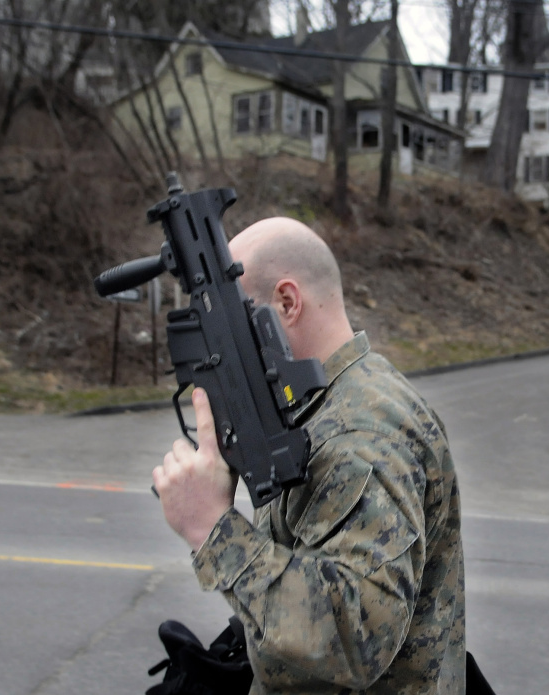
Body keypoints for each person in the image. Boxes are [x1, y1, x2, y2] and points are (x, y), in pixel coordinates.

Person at [152, 217, 465, 694]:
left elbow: (355, 639)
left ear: (286, 302)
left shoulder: (357, 438)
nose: (220, 345)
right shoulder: (331, 402)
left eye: (230, 320)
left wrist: (212, 530)